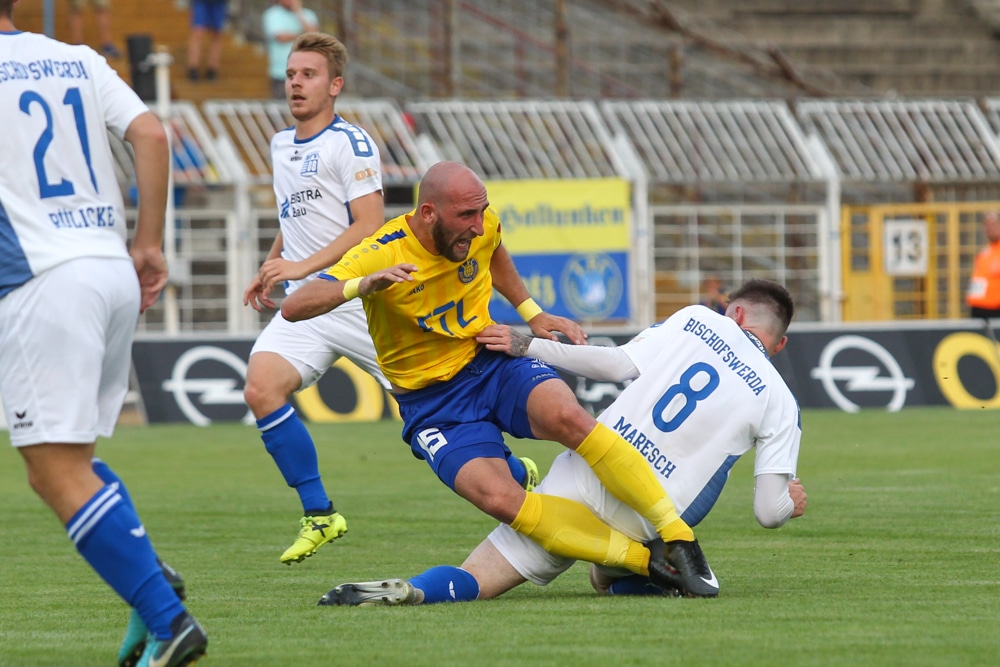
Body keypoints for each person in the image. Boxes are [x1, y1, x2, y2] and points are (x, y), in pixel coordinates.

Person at [282, 160, 720, 598]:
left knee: (571, 418)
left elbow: (494, 250)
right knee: (502, 501)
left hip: (490, 361)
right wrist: (360, 285)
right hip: (433, 403)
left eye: (481, 211)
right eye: (466, 215)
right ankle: (646, 563)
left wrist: (532, 313)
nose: (478, 225)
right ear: (429, 213)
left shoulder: (482, 225)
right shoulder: (382, 251)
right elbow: (294, 306)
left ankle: (678, 538)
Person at [317, 279, 806, 606]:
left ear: (734, 311)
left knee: (480, 579)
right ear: (779, 343)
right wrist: (790, 502)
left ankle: (417, 591)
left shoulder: (699, 318)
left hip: (588, 472)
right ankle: (621, 573)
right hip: (650, 521)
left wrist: (528, 345)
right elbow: (769, 511)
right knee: (619, 566)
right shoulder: (782, 401)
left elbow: (616, 365)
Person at [0, 1, 207, 665]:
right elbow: (152, 135)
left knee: (56, 472)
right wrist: (147, 243)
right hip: (108, 267)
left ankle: (168, 619)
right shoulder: (76, 58)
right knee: (70, 463)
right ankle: (151, 582)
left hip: (41, 280)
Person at [242, 32, 392, 565]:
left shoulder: (350, 143)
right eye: (290, 74)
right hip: (306, 306)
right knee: (261, 388)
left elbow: (369, 224)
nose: (296, 84)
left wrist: (302, 268)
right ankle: (320, 514)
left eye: (308, 75)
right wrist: (272, 265)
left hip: (356, 300)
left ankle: (513, 470)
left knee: (431, 412)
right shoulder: (281, 144)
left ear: (335, 85)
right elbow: (294, 216)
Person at [262, 0, 318, 99]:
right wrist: (303, 36)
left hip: (307, 72)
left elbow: (315, 35)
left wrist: (299, 13)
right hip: (281, 72)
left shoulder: (308, 14)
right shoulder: (272, 14)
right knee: (280, 105)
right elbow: (280, 37)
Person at [966, 211, 1000, 319]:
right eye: (987, 224)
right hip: (979, 307)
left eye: (993, 224)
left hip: (995, 309)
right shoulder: (986, 251)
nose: (989, 228)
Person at [186, 0, 228, 82]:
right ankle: (193, 67)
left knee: (217, 34)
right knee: (198, 32)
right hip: (201, 2)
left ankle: (212, 68)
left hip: (219, 3)